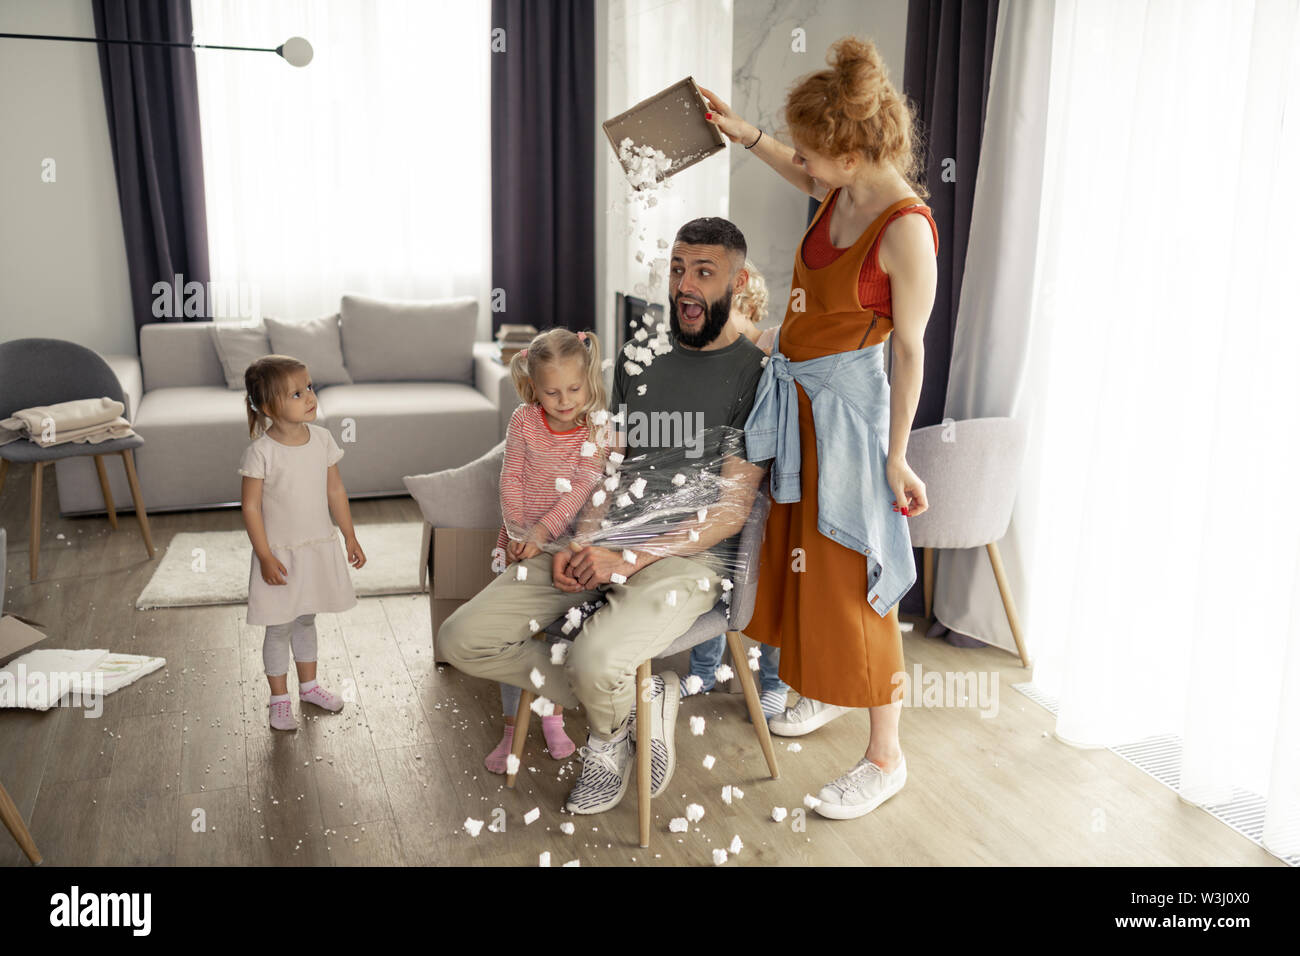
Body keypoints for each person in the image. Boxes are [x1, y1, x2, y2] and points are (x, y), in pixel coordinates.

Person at [439, 217, 766, 815]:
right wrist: (581, 540)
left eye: (703, 272)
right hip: (603, 539)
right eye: (676, 269)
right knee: (463, 640)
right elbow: (605, 467)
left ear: (737, 282)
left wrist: (631, 556)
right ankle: (632, 705)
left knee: (593, 659)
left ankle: (606, 738)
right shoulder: (639, 359)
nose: (684, 286)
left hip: (683, 558)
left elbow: (730, 510)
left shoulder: (755, 373)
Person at [700, 34, 937, 819]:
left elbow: (908, 352)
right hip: (799, 407)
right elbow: (799, 167)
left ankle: (886, 757)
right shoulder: (842, 186)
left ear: (855, 151)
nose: (801, 163)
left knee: (858, 585)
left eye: (811, 153)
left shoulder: (905, 229)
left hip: (853, 421)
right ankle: (827, 693)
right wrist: (746, 134)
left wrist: (896, 458)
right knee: (801, 563)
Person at [484, 328, 609, 772]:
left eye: (574, 388)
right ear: (534, 387)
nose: (564, 400)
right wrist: (519, 531)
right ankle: (508, 727)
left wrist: (540, 533)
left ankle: (553, 719)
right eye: (552, 391)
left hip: (560, 546)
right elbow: (511, 478)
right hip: (518, 543)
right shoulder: (522, 421)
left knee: (555, 637)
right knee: (515, 635)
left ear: (588, 380)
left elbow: (580, 490)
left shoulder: (597, 428)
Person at [681, 260, 789, 720]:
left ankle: (774, 680)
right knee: (717, 573)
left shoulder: (769, 352)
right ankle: (704, 669)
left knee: (766, 589)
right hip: (721, 492)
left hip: (768, 493)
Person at [239, 355, 366, 732]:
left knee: (307, 617)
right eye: (297, 393)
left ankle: (309, 687)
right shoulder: (261, 452)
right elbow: (251, 507)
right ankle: (279, 699)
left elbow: (336, 490)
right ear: (268, 408)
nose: (310, 396)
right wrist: (263, 555)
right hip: (279, 554)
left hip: (315, 546)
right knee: (279, 626)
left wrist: (349, 534)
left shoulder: (323, 439)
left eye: (309, 387)